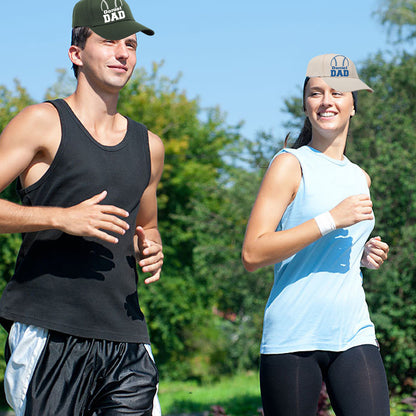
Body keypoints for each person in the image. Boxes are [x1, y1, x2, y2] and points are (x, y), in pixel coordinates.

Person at [0, 0, 164, 414]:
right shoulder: (42, 122)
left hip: (128, 341)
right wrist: (62, 217)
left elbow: (148, 225)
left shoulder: (150, 145)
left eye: (130, 43)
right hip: (52, 336)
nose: (123, 52)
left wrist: (152, 248)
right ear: (76, 53)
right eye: (109, 41)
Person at [242, 54, 391, 416]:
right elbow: (253, 253)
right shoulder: (289, 164)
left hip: (354, 331)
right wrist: (331, 219)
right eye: (316, 93)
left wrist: (361, 254)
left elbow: (328, 248)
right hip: (293, 335)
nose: (327, 101)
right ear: (306, 104)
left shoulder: (361, 177)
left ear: (353, 105)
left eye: (338, 92)